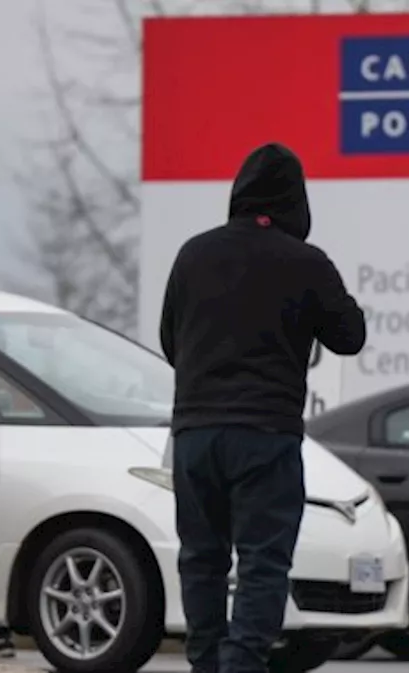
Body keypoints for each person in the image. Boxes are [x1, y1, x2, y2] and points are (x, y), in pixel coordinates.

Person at [158, 142, 367, 673]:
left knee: (200, 559)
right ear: (297, 201)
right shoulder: (306, 262)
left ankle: (205, 662)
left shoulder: (193, 254)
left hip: (196, 435)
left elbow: (169, 341)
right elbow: (350, 336)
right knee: (263, 563)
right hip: (265, 435)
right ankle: (242, 664)